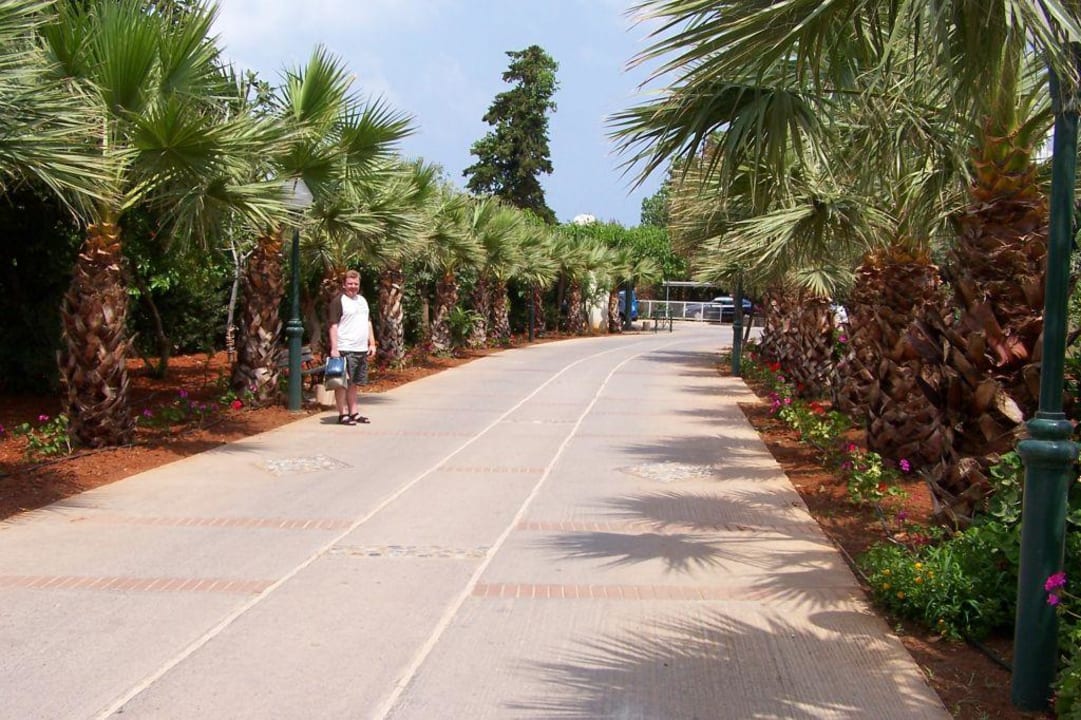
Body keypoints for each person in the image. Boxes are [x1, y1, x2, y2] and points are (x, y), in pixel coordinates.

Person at [327, 270, 376, 425]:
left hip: (360, 348)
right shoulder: (339, 301)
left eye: (356, 284)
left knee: (354, 383)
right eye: (350, 284)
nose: (353, 286)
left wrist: (372, 343)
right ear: (344, 284)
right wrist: (334, 348)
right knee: (342, 383)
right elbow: (333, 326)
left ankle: (354, 412)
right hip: (345, 347)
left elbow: (368, 323)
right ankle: (342, 414)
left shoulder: (362, 301)